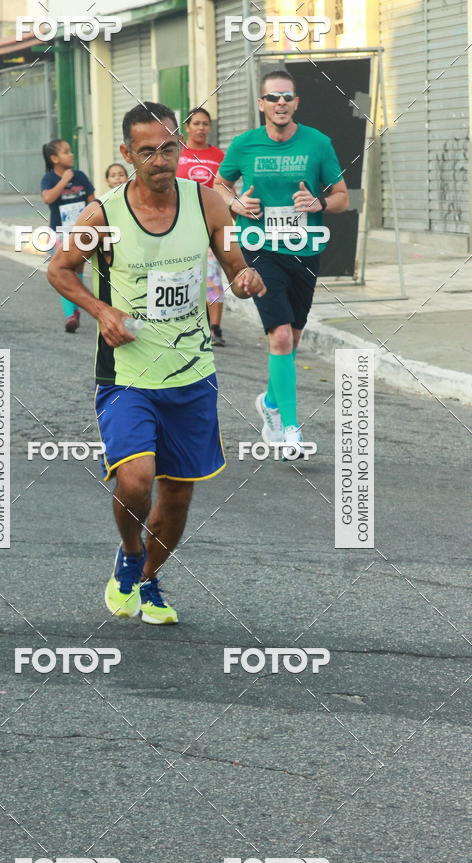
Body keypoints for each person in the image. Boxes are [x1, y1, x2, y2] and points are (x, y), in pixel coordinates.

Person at [48, 101, 264, 625]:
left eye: (170, 147)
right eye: (148, 151)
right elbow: (59, 269)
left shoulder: (209, 203)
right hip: (128, 374)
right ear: (128, 153)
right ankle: (129, 557)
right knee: (136, 480)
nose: (161, 159)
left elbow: (235, 262)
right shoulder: (103, 215)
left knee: (178, 495)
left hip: (192, 372)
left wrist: (245, 279)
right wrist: (101, 311)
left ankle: (149, 582)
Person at [214, 70, 349, 458]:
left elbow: (341, 196)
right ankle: (290, 429)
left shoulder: (317, 143)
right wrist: (235, 203)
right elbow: (220, 186)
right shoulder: (244, 145)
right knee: (281, 337)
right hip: (259, 247)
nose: (280, 104)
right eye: (272, 98)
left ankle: (271, 404)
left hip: (305, 249)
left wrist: (319, 203)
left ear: (296, 103)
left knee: (293, 339)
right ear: (262, 105)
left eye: (287, 97)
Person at [177, 107, 227, 346]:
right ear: (187, 127)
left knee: (213, 276)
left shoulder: (219, 156)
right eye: (196, 123)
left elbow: (227, 188)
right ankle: (187, 322)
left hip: (211, 224)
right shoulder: (177, 154)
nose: (201, 128)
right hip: (179, 225)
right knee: (182, 274)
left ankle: (215, 328)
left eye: (205, 123)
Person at [41, 139, 95, 333]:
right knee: (64, 271)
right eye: (65, 152)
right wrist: (64, 180)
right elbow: (47, 198)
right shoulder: (49, 179)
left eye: (70, 151)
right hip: (59, 232)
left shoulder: (80, 176)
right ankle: (70, 315)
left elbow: (92, 202)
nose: (71, 154)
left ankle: (74, 308)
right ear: (54, 158)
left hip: (81, 232)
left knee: (77, 272)